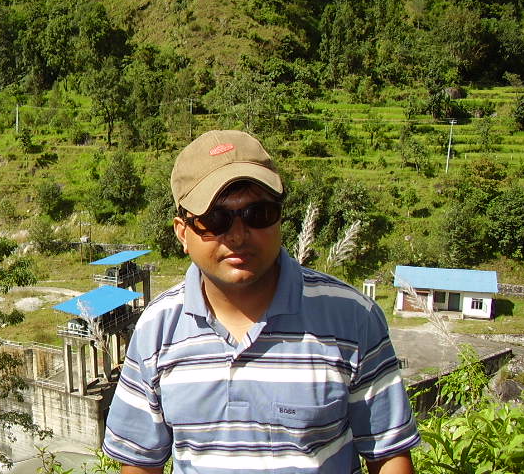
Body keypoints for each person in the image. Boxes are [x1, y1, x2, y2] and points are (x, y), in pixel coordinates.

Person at [102, 130, 419, 473]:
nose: (238, 236)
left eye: (258, 213)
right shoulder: (157, 329)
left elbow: (388, 454)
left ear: (280, 217)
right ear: (182, 232)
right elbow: (139, 462)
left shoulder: (351, 317)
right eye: (215, 219)